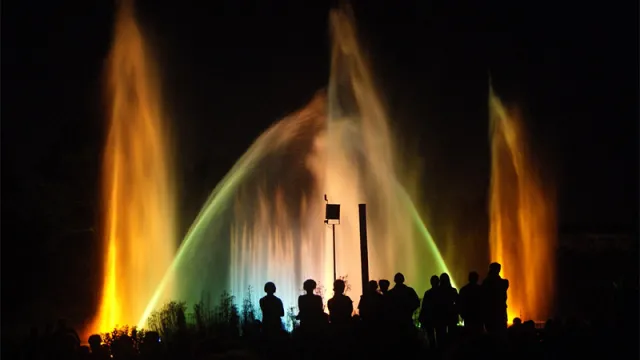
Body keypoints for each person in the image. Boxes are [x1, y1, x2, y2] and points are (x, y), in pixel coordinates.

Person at [419, 275, 440, 348]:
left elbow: (424, 307)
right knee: (440, 336)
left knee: (431, 337)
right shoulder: (442, 293)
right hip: (440, 318)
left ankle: (432, 352)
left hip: (430, 319)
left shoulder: (428, 293)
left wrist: (421, 318)